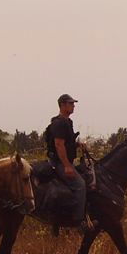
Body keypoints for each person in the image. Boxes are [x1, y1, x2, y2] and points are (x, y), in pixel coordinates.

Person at [44, 93, 89, 232]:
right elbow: (59, 145)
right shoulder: (59, 123)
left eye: (73, 103)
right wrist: (67, 166)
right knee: (80, 185)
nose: (73, 105)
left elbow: (67, 142)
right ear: (63, 105)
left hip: (64, 161)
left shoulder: (67, 122)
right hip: (59, 162)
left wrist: (77, 144)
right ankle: (78, 221)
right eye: (70, 103)